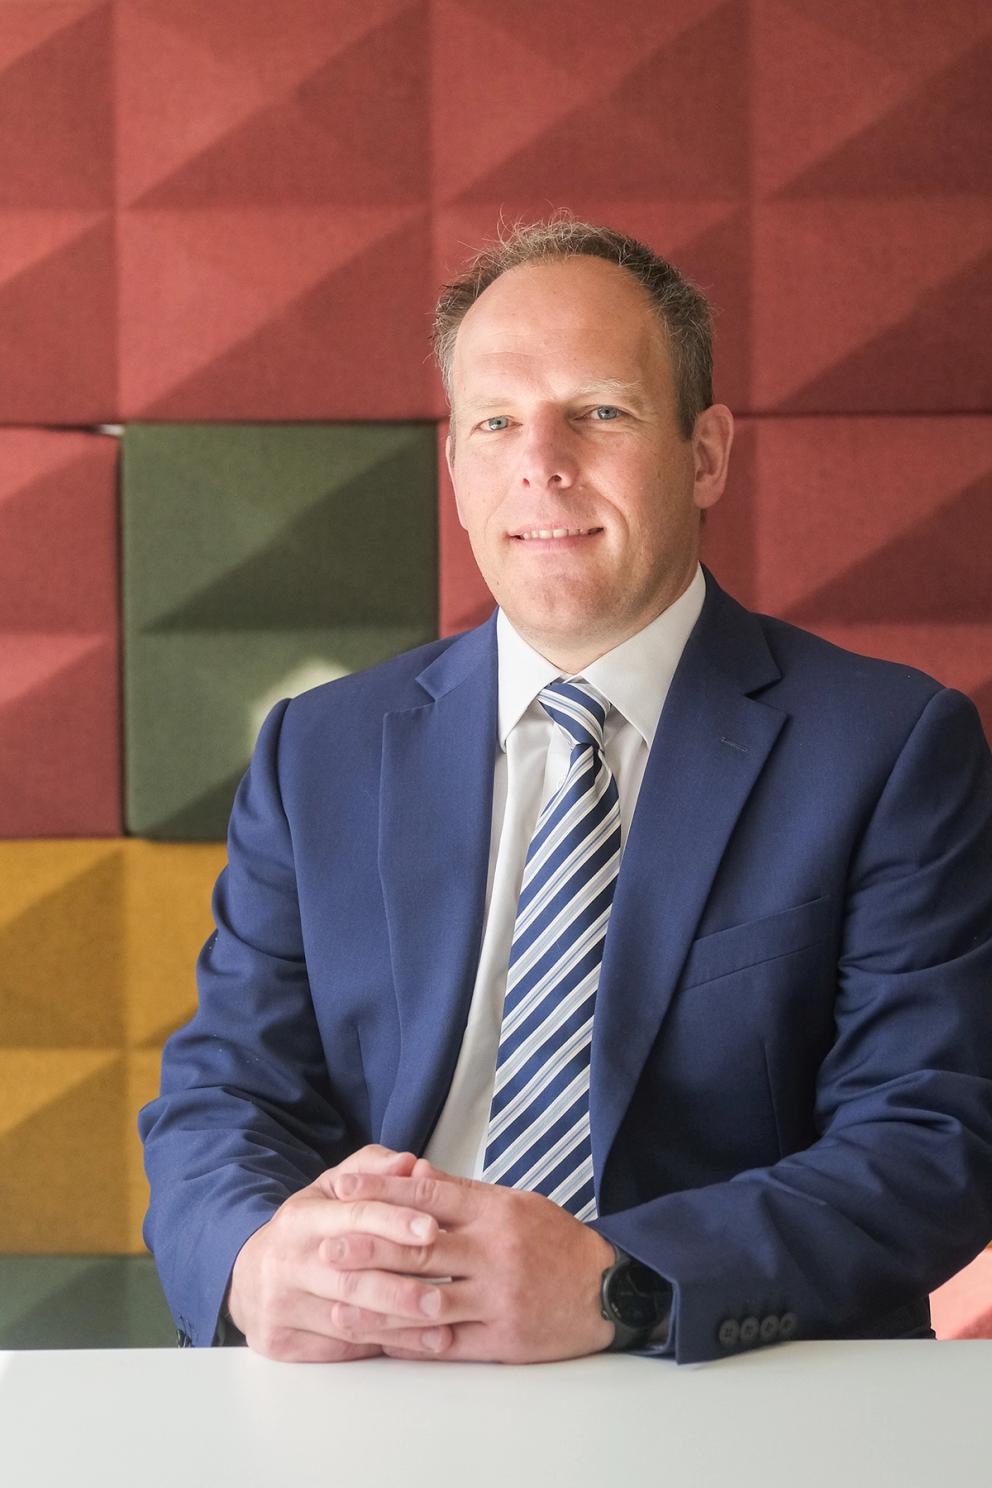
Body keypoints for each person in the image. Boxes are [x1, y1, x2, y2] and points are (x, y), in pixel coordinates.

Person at [139, 216, 992, 1366]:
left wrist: (619, 1288)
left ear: (704, 452)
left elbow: (926, 1139)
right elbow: (222, 1096)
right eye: (494, 421)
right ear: (453, 468)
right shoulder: (318, 753)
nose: (541, 461)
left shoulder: (889, 748)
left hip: (724, 1387)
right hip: (373, 1388)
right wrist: (253, 1263)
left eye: (598, 411)